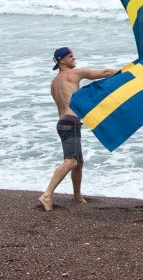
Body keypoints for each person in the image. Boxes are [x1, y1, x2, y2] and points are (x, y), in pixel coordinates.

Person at [39, 47, 117, 211]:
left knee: (79, 162)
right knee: (71, 161)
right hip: (71, 123)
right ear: (61, 61)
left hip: (62, 123)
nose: (74, 58)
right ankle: (47, 194)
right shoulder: (74, 74)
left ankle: (76, 195)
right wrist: (129, 71)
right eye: (70, 56)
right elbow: (105, 72)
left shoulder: (54, 83)